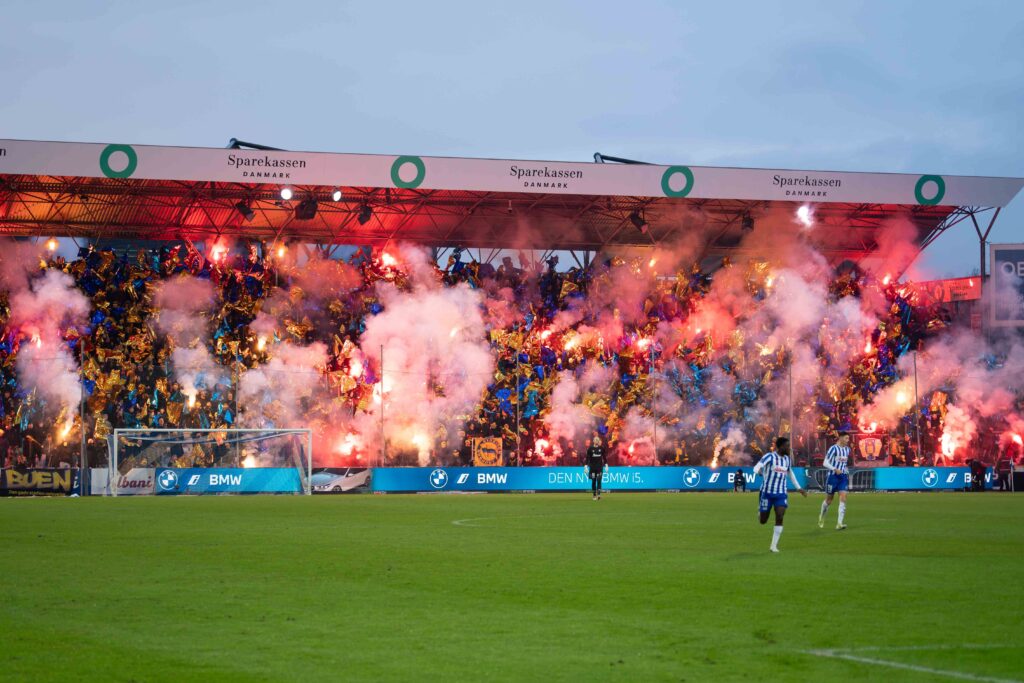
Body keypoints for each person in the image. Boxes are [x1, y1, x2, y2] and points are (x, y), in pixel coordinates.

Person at [752, 437, 807, 553]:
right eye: (787, 446)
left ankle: (773, 546)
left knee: (780, 515)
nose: (789, 448)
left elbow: (790, 473)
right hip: (767, 493)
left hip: (781, 493)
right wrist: (760, 472)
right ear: (780, 447)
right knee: (763, 520)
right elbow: (756, 468)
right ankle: (760, 510)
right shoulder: (769, 457)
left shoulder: (787, 459)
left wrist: (799, 488)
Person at [819, 432, 852, 530]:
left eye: (848, 438)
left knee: (843, 497)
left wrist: (844, 470)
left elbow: (843, 463)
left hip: (843, 477)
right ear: (840, 438)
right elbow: (825, 463)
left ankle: (839, 523)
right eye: (846, 438)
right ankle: (821, 516)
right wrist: (834, 469)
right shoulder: (833, 448)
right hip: (833, 477)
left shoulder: (847, 449)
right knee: (829, 500)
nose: (848, 440)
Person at [585, 434, 607, 500]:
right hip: (592, 468)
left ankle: (599, 495)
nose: (597, 441)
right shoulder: (590, 449)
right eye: (596, 440)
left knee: (599, 480)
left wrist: (606, 465)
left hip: (599, 468)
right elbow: (587, 458)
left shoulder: (602, 448)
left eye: (598, 440)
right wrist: (585, 466)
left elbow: (604, 457)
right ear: (593, 441)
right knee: (594, 481)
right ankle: (594, 495)